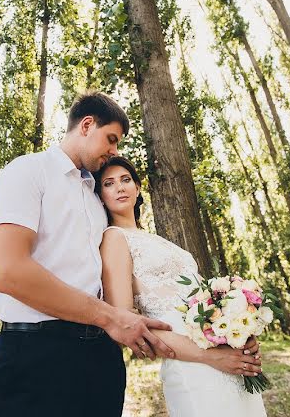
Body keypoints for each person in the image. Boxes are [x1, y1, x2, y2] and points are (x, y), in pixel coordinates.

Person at [0, 91, 176, 417]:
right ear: (86, 125)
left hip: (100, 360)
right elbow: (9, 271)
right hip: (34, 355)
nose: (114, 151)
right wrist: (110, 317)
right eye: (111, 139)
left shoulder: (97, 197)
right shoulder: (28, 171)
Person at [96, 156, 268, 416]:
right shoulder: (113, 238)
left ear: (138, 188)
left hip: (225, 354)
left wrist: (239, 334)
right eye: (109, 183)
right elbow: (127, 321)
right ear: (101, 195)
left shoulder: (153, 238)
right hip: (192, 361)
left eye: (125, 179)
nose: (119, 187)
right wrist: (209, 356)